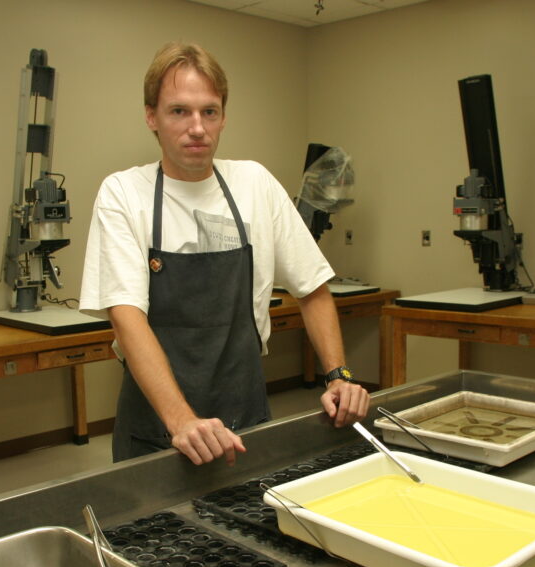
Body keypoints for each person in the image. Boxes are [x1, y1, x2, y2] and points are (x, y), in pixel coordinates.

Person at [80, 42, 369, 465]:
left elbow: (312, 288)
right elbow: (127, 318)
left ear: (223, 117)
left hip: (245, 420)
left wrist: (338, 376)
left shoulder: (254, 184)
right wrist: (182, 422)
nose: (197, 127)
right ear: (151, 117)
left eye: (209, 111)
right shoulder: (125, 194)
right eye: (179, 111)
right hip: (159, 431)